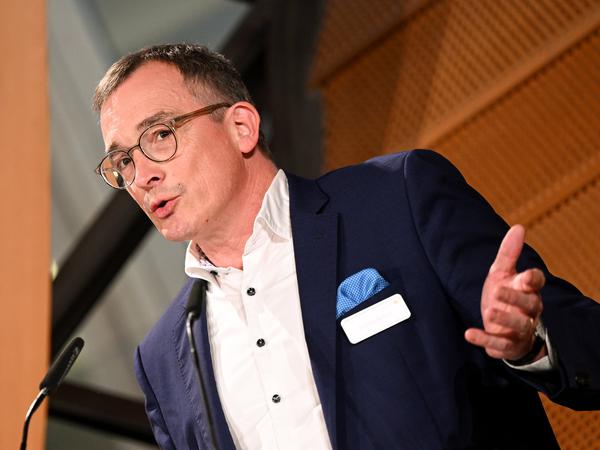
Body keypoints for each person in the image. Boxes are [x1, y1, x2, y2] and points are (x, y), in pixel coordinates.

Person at [92, 44, 600, 449]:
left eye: (160, 135)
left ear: (241, 127)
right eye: (123, 162)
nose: (142, 175)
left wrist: (534, 343)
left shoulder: (399, 200)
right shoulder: (163, 359)